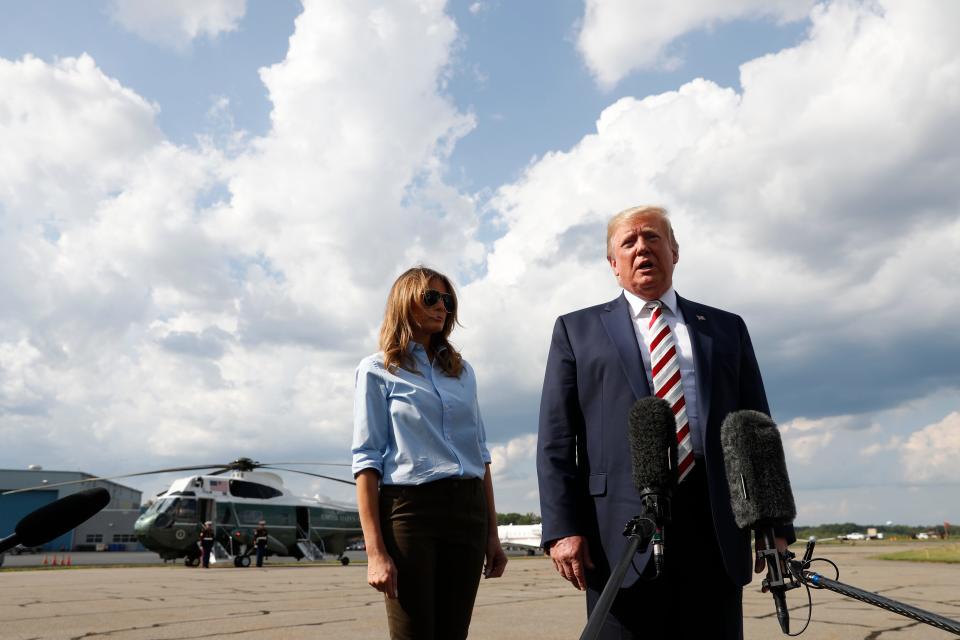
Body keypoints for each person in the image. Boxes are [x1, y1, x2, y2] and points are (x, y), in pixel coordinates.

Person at [536, 205, 795, 639]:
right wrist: (562, 528)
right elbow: (556, 439)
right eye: (629, 242)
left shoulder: (725, 329)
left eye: (653, 238)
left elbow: (757, 429)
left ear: (674, 251)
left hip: (713, 522)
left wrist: (774, 526)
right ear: (612, 263)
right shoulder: (575, 331)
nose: (642, 248)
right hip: (618, 528)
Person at [352, 265, 508, 640]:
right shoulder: (377, 370)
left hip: (468, 513)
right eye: (431, 298)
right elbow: (366, 461)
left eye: (447, 299)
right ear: (405, 303)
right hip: (411, 513)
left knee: (454, 634)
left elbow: (480, 454)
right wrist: (375, 553)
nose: (442, 306)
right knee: (414, 634)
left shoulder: (462, 372)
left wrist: (493, 535)